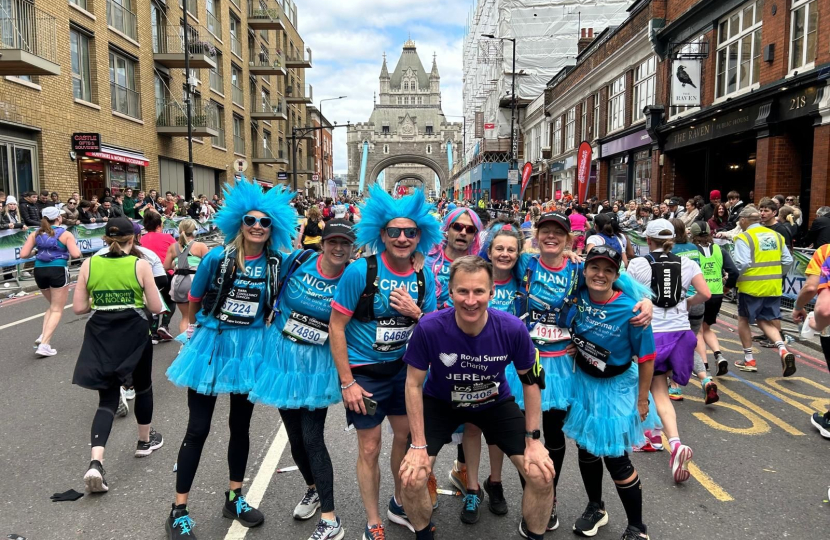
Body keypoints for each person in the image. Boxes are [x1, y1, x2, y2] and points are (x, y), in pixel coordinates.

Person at [164, 180, 297, 539]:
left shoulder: (276, 263)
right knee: (198, 428)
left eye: (265, 222)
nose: (257, 226)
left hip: (251, 349)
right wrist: (191, 326)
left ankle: (234, 496)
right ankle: (178, 510)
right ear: (239, 222)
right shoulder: (216, 258)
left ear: (274, 228)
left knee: (241, 427)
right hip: (214, 344)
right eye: (250, 220)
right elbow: (194, 296)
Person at [399, 255, 555, 540]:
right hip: (442, 403)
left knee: (540, 474)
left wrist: (533, 440)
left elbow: (531, 382)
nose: (470, 300)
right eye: (463, 291)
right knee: (412, 477)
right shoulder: (430, 328)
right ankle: (424, 535)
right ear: (450, 291)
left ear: (492, 292)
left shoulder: (511, 328)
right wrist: (418, 445)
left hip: (494, 403)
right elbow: (412, 385)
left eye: (479, 291)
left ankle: (535, 535)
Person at [329, 184, 440, 540]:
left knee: (406, 437)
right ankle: (374, 520)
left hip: (405, 373)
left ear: (420, 236)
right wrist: (347, 382)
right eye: (395, 231)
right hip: (366, 373)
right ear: (382, 234)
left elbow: (434, 329)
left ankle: (398, 503)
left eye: (410, 232)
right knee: (370, 444)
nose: (403, 238)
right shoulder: (360, 272)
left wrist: (416, 312)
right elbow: (336, 325)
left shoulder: (426, 275)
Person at [249, 219, 356, 540]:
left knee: (312, 438)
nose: (338, 248)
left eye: (345, 243)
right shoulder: (296, 261)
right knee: (294, 438)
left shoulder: (353, 276)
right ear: (322, 243)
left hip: (317, 365)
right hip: (281, 359)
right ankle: (312, 488)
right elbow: (256, 257)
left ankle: (330, 518)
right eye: (333, 241)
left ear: (353, 248)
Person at [562, 246, 656, 540]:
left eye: (608, 270)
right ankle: (596, 508)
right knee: (586, 450)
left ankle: (637, 527)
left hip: (616, 387)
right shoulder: (577, 295)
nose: (600, 275)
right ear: (585, 270)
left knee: (616, 458)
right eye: (594, 268)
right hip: (584, 383)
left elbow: (647, 357)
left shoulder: (631, 310)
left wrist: (642, 399)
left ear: (616, 275)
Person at [71, 217, 165, 493]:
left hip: (101, 332)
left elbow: (78, 308)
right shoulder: (140, 264)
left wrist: (100, 298)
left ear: (104, 239)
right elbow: (157, 306)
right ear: (132, 239)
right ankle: (144, 442)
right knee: (144, 387)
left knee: (107, 398)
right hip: (134, 331)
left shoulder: (89, 264)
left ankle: (95, 462)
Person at [628, 219, 710, 482]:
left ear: (648, 241)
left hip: (650, 334)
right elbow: (706, 294)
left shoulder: (638, 264)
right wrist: (686, 303)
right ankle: (675, 443)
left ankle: (648, 438)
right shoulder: (688, 263)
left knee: (641, 386)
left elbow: (627, 297)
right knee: (660, 390)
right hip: (680, 333)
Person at [731, 207, 795, 375]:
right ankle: (783, 350)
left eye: (740, 219)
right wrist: (777, 275)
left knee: (743, 320)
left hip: (751, 287)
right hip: (773, 286)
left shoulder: (744, 237)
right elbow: (787, 260)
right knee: (765, 320)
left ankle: (749, 359)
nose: (739, 222)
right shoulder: (777, 236)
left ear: (745, 220)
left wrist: (732, 279)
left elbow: (742, 264)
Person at [18, 206, 82, 356]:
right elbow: (76, 254)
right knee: (57, 309)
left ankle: (43, 336)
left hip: (39, 270)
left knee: (53, 306)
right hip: (58, 269)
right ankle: (45, 345)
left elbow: (23, 254)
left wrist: (37, 251)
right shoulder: (65, 234)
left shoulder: (35, 234)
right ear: (58, 218)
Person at [691, 221, 739, 378]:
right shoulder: (720, 249)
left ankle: (704, 366)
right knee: (707, 328)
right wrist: (726, 288)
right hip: (717, 294)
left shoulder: (692, 250)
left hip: (699, 294)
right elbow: (734, 272)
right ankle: (719, 355)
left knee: (698, 331)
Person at [427, 207, 484, 309]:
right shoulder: (427, 259)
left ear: (474, 236)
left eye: (470, 229)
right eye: (457, 227)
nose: (463, 232)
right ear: (447, 229)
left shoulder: (478, 267)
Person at [164, 219, 209, 336]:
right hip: (195, 281)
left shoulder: (173, 247)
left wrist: (176, 264)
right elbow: (209, 266)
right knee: (198, 315)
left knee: (185, 317)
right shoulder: (200, 246)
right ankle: (195, 343)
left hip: (178, 281)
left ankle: (184, 344)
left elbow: (166, 266)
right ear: (194, 231)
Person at [142, 211, 176, 342]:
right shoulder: (168, 238)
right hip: (165, 273)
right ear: (159, 225)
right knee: (170, 301)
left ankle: (154, 331)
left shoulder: (141, 239)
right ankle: (165, 325)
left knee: (150, 302)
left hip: (147, 275)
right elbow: (178, 252)